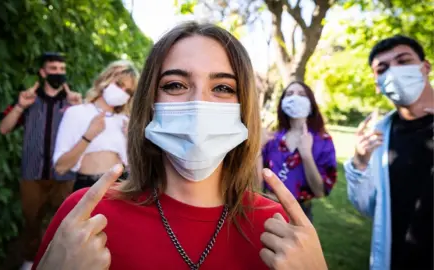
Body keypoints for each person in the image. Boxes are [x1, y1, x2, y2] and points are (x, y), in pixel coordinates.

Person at [31, 22, 327, 270]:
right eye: (175, 85)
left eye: (223, 88)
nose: (199, 104)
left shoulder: (281, 231)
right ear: (150, 102)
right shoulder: (86, 216)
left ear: (244, 106)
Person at [344, 35, 433, 270]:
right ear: (377, 84)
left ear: (425, 68)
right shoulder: (379, 136)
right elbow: (367, 207)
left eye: (403, 61)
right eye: (383, 69)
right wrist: (360, 162)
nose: (394, 72)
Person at [0, 52, 82, 270]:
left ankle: (57, 264)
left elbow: (87, 138)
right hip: (32, 174)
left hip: (64, 176)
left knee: (62, 222)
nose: (58, 73)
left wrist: (80, 111)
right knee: (32, 222)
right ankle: (30, 261)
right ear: (43, 72)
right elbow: (4, 128)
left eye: (62, 69)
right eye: (53, 69)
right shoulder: (28, 100)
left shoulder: (73, 103)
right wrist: (19, 106)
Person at [53, 60, 139, 191]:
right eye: (119, 84)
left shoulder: (126, 121)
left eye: (128, 91)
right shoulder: (76, 112)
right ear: (106, 79)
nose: (122, 92)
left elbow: (136, 168)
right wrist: (88, 136)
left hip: (121, 187)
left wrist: (131, 140)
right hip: (87, 187)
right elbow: (60, 167)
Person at [258, 82, 337, 221]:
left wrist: (306, 155)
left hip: (300, 215)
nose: (295, 98)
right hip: (266, 208)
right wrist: (256, 148)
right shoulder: (272, 139)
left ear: (311, 104)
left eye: (301, 94)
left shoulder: (323, 141)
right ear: (282, 103)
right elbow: (255, 187)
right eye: (289, 94)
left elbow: (319, 192)